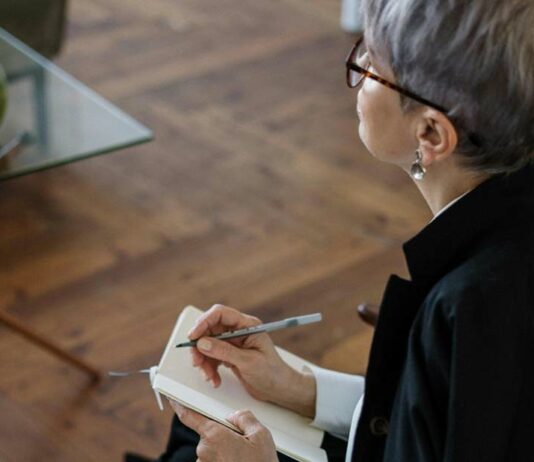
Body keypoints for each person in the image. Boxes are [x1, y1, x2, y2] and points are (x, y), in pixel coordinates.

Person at [152, 0, 534, 460]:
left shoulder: (469, 308)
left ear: (431, 135)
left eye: (374, 67)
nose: (359, 69)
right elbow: (434, 418)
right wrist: (298, 388)